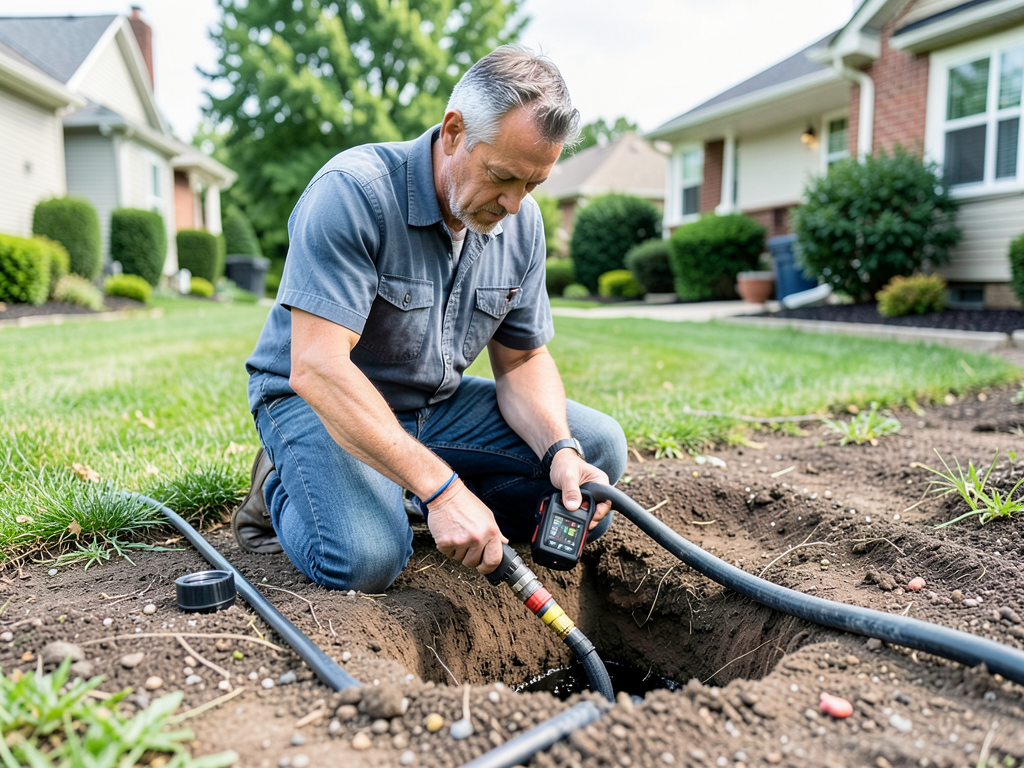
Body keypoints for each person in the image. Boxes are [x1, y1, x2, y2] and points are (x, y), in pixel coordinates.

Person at [235, 45, 627, 592]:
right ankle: (283, 485)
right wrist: (442, 492)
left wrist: (560, 450)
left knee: (597, 450)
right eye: (503, 177)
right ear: (453, 132)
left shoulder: (523, 224)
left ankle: (420, 493)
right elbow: (317, 366)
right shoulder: (354, 193)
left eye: (532, 186)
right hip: (321, 402)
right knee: (367, 559)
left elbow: (521, 361)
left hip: (432, 408)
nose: (514, 205)